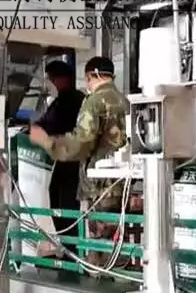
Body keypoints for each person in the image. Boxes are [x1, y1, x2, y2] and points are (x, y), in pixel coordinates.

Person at [30, 56, 129, 271]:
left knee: (99, 240)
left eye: (88, 79)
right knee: (118, 238)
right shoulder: (125, 101)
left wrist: (47, 142)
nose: (87, 84)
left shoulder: (94, 101)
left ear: (93, 75)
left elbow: (80, 143)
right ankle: (118, 274)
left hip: (100, 185)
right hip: (124, 182)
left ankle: (98, 276)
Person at [36, 60, 84, 252]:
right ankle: (69, 246)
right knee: (61, 199)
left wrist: (34, 129)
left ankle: (71, 248)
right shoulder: (75, 97)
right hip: (72, 158)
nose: (53, 83)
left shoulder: (67, 100)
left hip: (71, 160)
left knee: (64, 202)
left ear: (63, 79)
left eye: (53, 79)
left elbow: (50, 123)